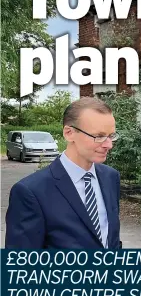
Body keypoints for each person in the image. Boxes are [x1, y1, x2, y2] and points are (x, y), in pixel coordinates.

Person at [6, 98, 121, 249]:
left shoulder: (111, 177)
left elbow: (110, 239)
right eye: (99, 136)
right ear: (69, 133)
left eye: (111, 135)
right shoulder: (30, 192)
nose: (109, 145)